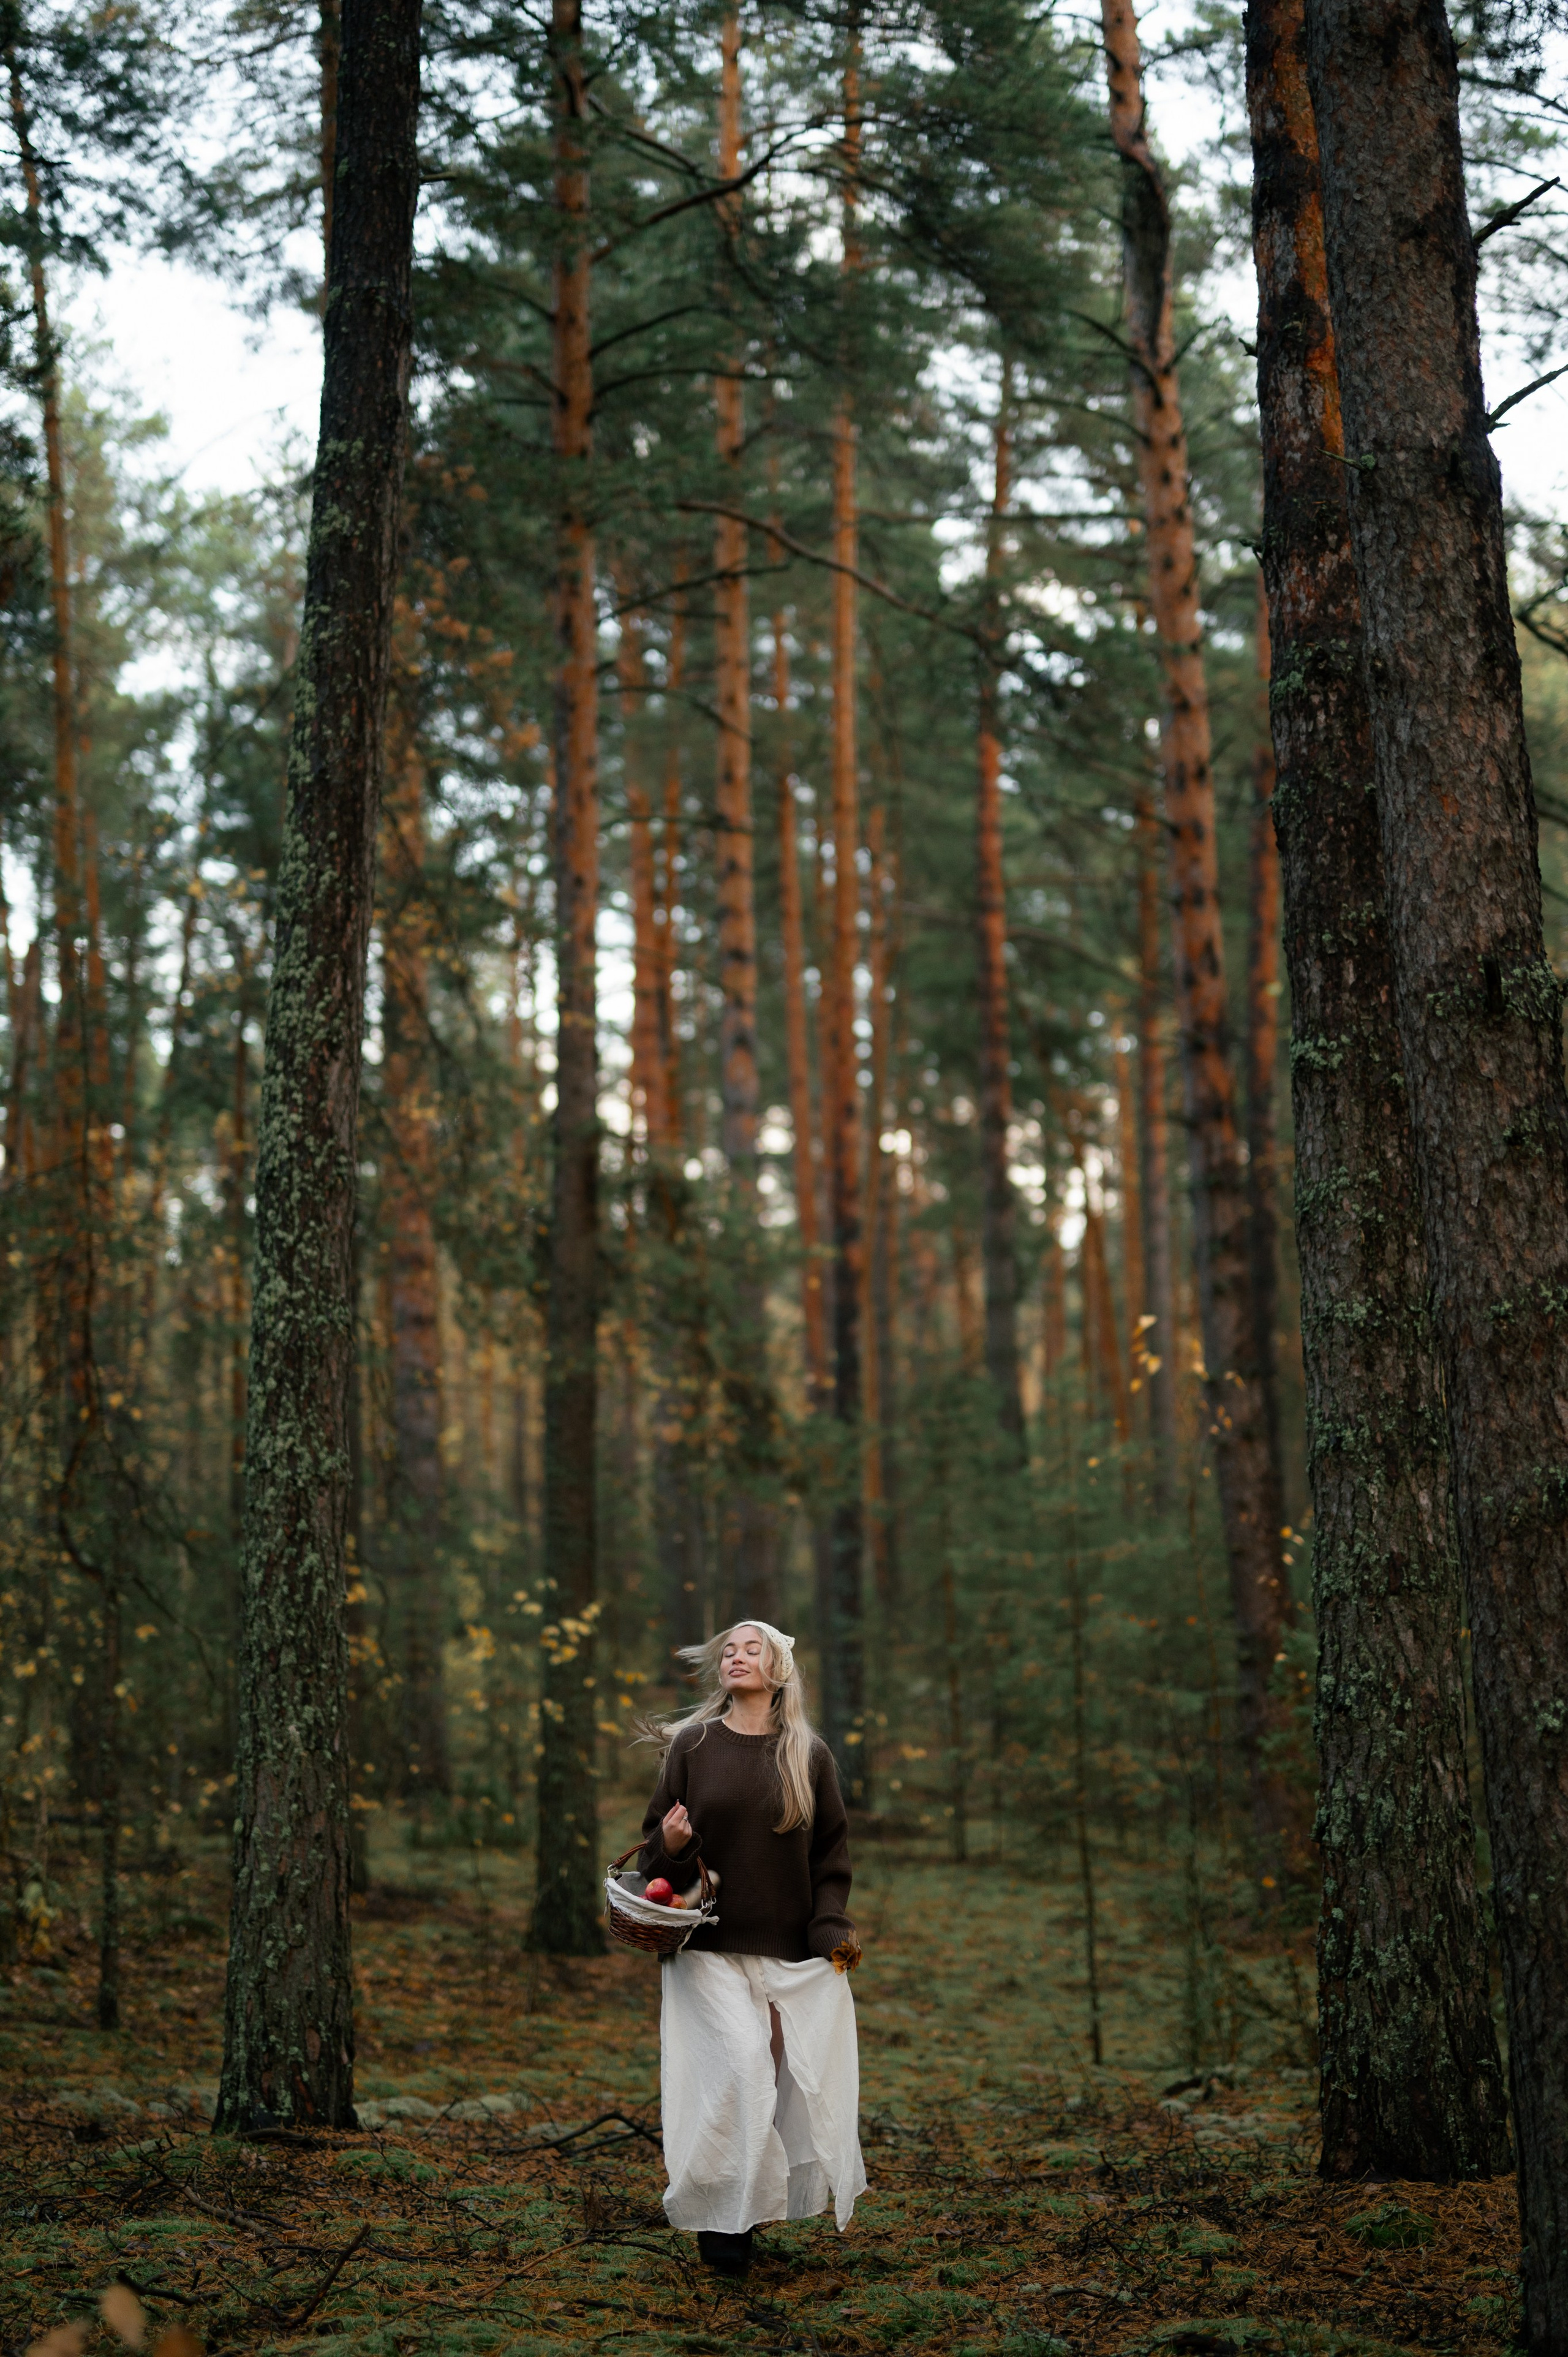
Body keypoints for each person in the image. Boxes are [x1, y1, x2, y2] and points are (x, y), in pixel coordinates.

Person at [636, 1620, 867, 2279]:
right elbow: (653, 1854)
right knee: (735, 2066)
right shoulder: (693, 1744)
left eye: (752, 1648)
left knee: (771, 2080)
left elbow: (830, 1858)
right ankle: (719, 2225)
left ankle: (746, 2206)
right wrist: (674, 1848)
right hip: (704, 1942)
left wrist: (832, 1930)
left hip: (785, 1950)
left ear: (779, 1668)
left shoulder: (808, 1755)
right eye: (728, 1651)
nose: (736, 1657)